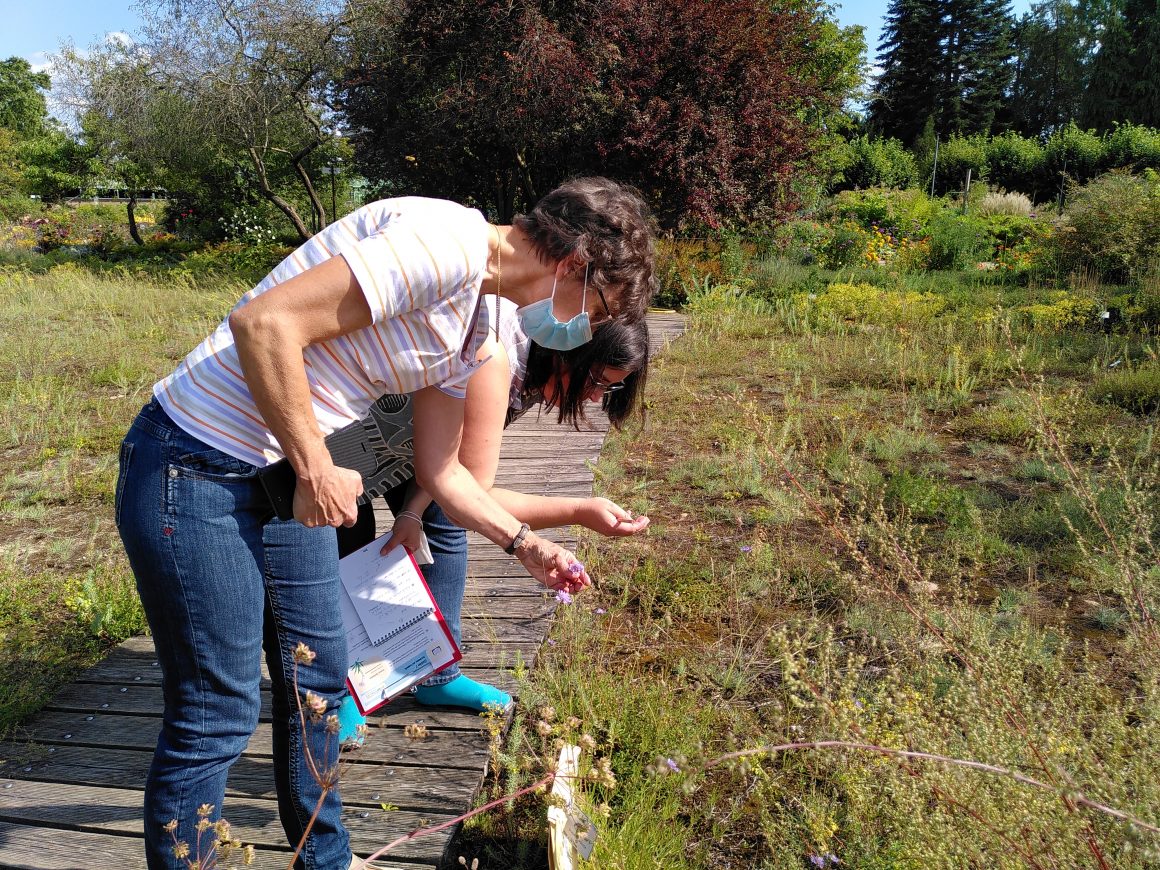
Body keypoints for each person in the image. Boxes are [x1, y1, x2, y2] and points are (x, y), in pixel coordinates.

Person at [114, 178, 656, 870]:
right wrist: (315, 462)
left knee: (317, 685)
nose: (584, 328)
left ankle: (326, 860)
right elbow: (266, 324)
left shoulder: (481, 322)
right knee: (215, 712)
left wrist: (525, 544)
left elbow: (443, 473)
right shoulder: (448, 245)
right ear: (576, 265)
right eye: (600, 307)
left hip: (281, 484)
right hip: (194, 465)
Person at [333, 314, 652, 728]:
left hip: (417, 444)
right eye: (594, 379)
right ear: (570, 349)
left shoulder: (543, 366)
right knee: (347, 539)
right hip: (349, 444)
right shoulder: (497, 355)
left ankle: (436, 674)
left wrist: (412, 510)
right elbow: (467, 496)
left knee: (440, 529)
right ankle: (339, 690)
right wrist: (578, 511)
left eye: (609, 387)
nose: (594, 397)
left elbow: (451, 460)